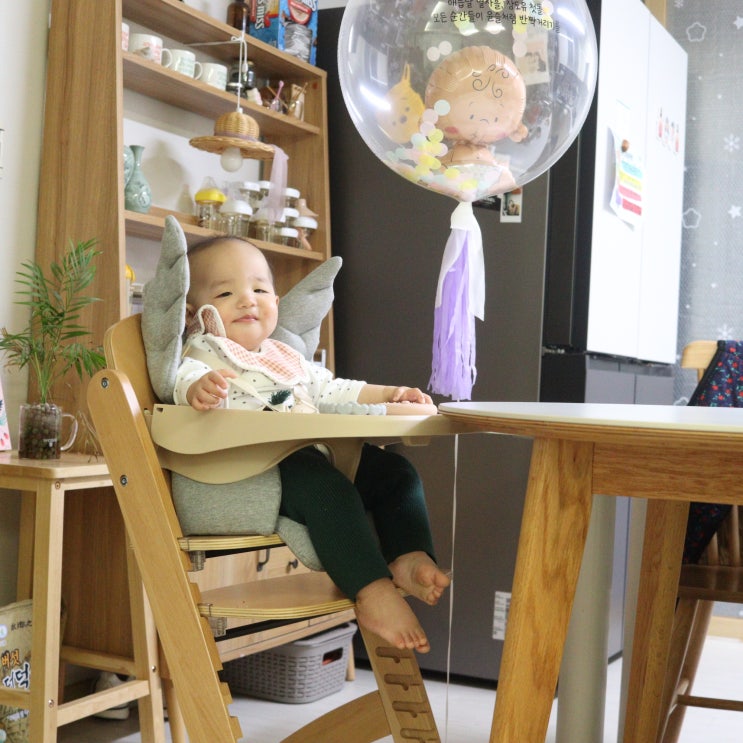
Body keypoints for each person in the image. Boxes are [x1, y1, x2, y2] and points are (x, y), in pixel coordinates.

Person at [173, 236, 450, 653]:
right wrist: (198, 388)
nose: (247, 300)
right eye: (226, 293)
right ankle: (372, 592)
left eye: (259, 289)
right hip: (253, 467)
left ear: (276, 302)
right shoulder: (203, 353)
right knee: (328, 491)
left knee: (396, 471)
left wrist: (391, 394)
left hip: (310, 453)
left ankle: (408, 555)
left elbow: (335, 389)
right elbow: (180, 380)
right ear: (194, 313)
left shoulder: (285, 356)